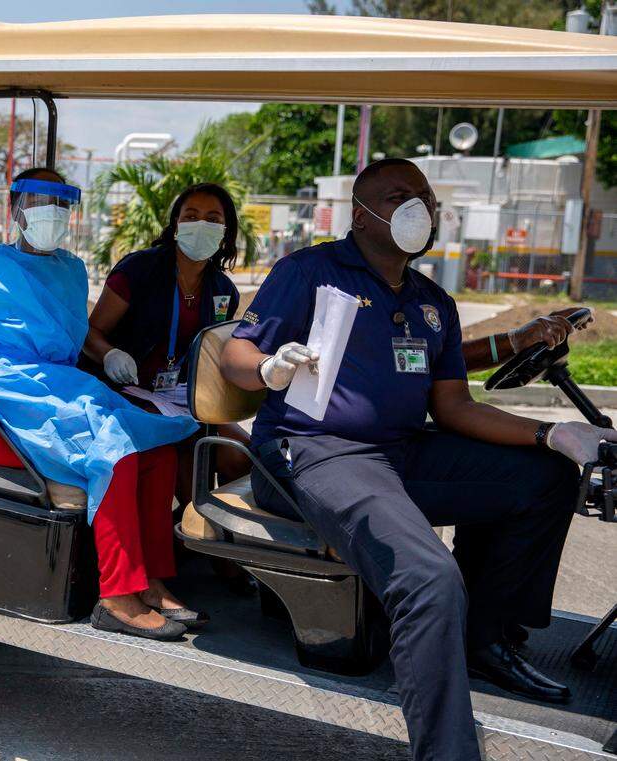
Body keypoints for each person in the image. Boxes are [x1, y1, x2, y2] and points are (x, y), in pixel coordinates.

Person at [220, 158, 614, 761]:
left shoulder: (433, 301)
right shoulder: (311, 271)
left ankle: (483, 638)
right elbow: (237, 354)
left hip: (399, 451)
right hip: (315, 451)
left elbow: (453, 407)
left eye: (425, 197)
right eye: (400, 195)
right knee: (427, 578)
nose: (417, 208)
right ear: (361, 212)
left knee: (543, 479)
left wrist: (549, 437)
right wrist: (269, 369)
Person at [0, 167, 203, 640]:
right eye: (41, 204)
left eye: (61, 205)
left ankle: (149, 577)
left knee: (160, 447)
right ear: (15, 209)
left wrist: (108, 354)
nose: (53, 215)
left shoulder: (71, 269)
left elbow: (76, 331)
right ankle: (116, 595)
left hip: (59, 388)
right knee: (117, 449)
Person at [84, 183, 246, 506]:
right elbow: (90, 333)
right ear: (176, 224)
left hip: (182, 398)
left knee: (241, 457)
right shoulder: (138, 270)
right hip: (124, 390)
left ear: (226, 232)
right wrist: (111, 354)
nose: (202, 224)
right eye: (192, 215)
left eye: (213, 219)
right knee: (187, 448)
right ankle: (193, 540)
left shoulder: (223, 290)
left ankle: (227, 538)